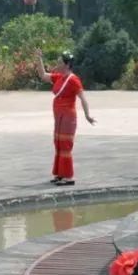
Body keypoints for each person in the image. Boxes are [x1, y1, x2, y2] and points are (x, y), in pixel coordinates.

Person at [36, 51, 96, 186]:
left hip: (68, 116)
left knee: (65, 144)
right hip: (58, 116)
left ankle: (68, 177)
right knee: (58, 143)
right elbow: (43, 75)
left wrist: (87, 115)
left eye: (60, 62)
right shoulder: (59, 77)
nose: (57, 64)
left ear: (67, 64)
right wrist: (39, 58)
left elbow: (83, 99)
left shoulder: (73, 80)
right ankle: (59, 174)